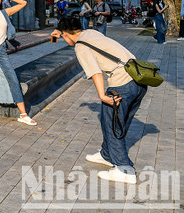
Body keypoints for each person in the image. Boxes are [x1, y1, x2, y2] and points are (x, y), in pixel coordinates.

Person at [51, 16, 147, 184]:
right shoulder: (90, 32)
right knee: (115, 121)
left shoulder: (80, 47)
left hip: (122, 84)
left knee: (113, 126)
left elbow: (95, 72)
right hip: (139, 80)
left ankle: (124, 168)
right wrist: (61, 33)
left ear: (65, 34)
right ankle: (106, 154)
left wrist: (102, 95)